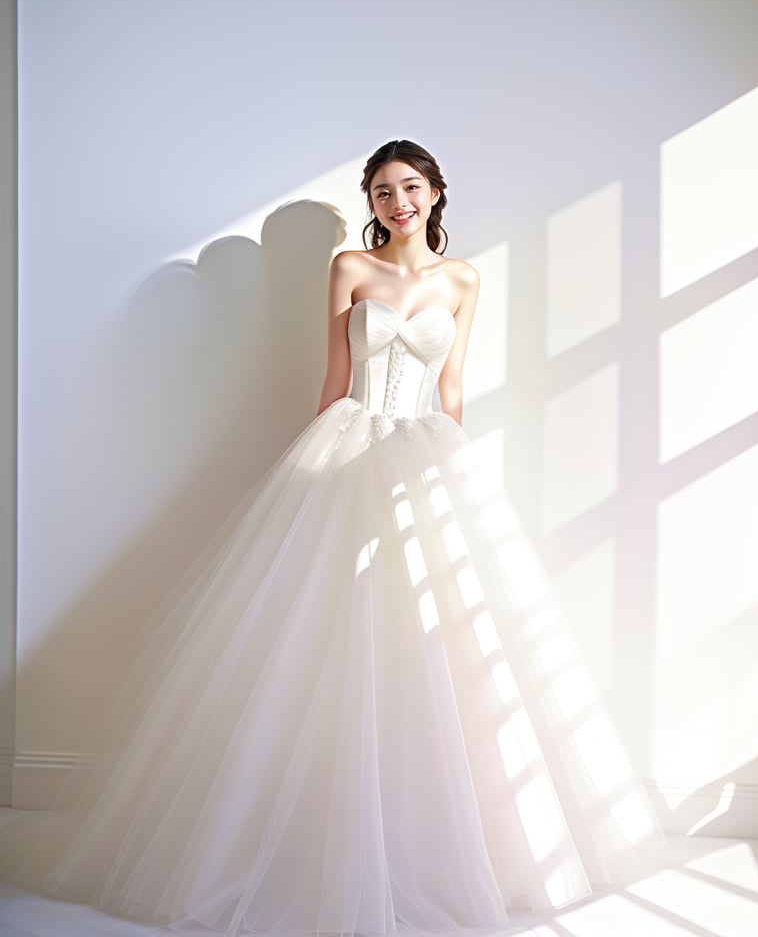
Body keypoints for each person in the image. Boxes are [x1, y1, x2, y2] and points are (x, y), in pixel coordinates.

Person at [0, 140, 663, 937]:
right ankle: (306, 838)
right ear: (371, 201)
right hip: (350, 447)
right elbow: (334, 381)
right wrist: (310, 476)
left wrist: (452, 480)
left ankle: (448, 843)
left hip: (426, 453)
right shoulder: (348, 267)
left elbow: (451, 391)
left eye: (409, 187)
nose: (397, 202)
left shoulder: (464, 280)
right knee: (327, 637)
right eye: (382, 190)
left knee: (435, 644)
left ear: (436, 191)